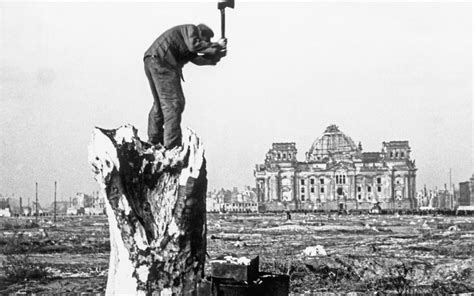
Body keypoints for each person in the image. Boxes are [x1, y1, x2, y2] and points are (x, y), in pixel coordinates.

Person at [144, 23, 227, 149]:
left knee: (160, 104)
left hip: (153, 60)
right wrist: (216, 45)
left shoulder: (187, 42)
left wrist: (217, 55)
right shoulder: (192, 29)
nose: (205, 43)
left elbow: (199, 60)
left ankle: (154, 141)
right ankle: (172, 147)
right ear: (201, 33)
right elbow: (195, 46)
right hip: (162, 62)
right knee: (174, 104)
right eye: (206, 41)